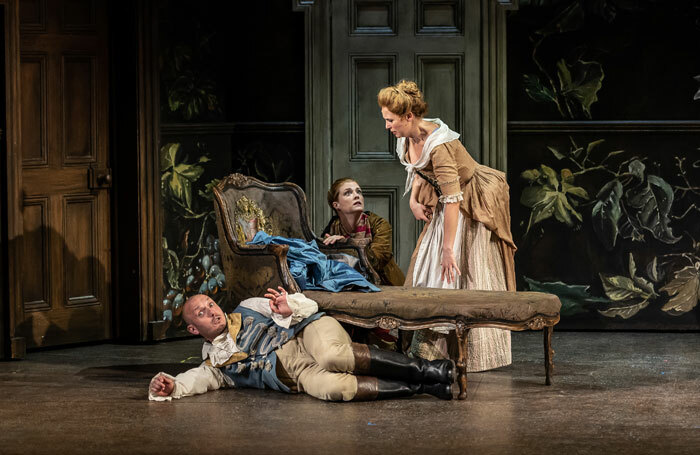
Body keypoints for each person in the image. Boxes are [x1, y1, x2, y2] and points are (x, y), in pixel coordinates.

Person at [377, 80, 517, 372]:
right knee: (429, 270)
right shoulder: (407, 135)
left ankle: (468, 355)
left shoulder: (439, 146)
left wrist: (448, 249)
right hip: (445, 200)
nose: (388, 126)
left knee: (458, 272)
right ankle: (429, 351)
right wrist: (414, 201)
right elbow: (416, 171)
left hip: (470, 202)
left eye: (391, 120)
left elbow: (453, 199)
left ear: (409, 117)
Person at [148, 288, 455, 402]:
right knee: (334, 390)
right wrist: (171, 387)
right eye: (202, 312)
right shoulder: (216, 364)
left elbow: (304, 304)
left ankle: (429, 368)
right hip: (297, 374)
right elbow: (195, 379)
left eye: (212, 305)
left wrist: (288, 308)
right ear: (193, 327)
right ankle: (424, 387)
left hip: (307, 334)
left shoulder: (249, 307)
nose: (212, 311)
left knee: (333, 356)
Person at [322, 177, 405, 286]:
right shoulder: (332, 228)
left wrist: (346, 244)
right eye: (348, 193)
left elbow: (375, 262)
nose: (357, 195)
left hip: (385, 285)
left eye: (359, 191)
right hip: (347, 286)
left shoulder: (379, 225)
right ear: (336, 205)